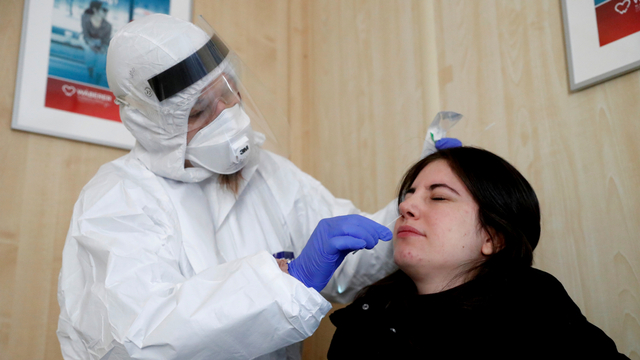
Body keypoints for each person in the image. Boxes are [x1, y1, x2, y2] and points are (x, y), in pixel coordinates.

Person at [56, 14, 457, 360]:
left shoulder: (267, 172)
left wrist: (413, 202)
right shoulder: (118, 198)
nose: (227, 116)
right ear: (151, 124)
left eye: (230, 92)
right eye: (199, 110)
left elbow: (347, 269)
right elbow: (133, 342)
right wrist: (286, 281)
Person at [328, 147, 629, 359]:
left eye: (439, 196)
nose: (405, 207)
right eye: (408, 197)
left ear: (493, 238)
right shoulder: (363, 322)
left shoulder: (533, 304)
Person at [80, 1, 111, 86]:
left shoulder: (108, 26)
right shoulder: (86, 19)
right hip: (89, 42)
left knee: (102, 58)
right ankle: (89, 78)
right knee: (89, 52)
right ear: (95, 10)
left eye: (107, 10)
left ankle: (96, 85)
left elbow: (106, 41)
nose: (106, 12)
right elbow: (85, 35)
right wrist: (91, 44)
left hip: (100, 46)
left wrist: (102, 49)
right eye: (104, 10)